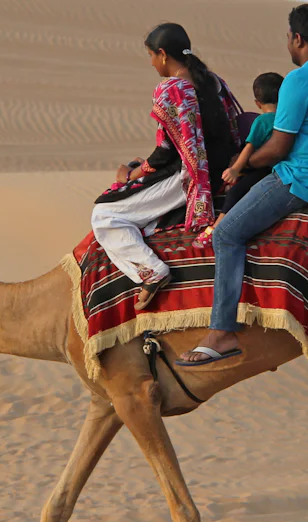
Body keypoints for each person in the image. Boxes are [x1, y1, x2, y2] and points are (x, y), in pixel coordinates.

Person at [178, 4, 308, 365]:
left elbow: (279, 147)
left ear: (297, 38)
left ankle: (222, 332)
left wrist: (240, 164)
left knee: (226, 234)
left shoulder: (299, 80)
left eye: (289, 38)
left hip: (301, 183)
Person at [91, 23, 243, 310]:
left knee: (105, 214)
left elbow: (165, 152)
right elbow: (232, 128)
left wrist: (131, 174)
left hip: (190, 178)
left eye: (150, 55)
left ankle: (151, 272)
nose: (151, 63)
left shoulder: (171, 88)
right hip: (220, 168)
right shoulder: (213, 80)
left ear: (162, 54)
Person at [193, 72, 284, 248]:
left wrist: (235, 169)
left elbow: (249, 147)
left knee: (236, 193)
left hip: (264, 170)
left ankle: (216, 229)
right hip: (282, 170)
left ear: (258, 103)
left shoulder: (261, 121)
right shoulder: (286, 120)